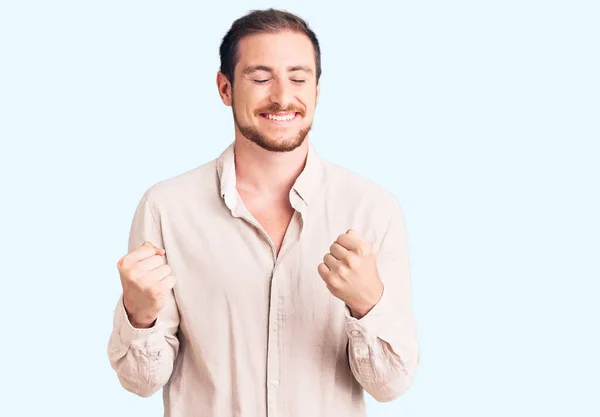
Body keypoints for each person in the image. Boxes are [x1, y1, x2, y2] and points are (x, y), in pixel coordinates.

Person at [107, 8, 419, 417]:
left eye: (298, 77)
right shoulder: (167, 208)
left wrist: (368, 305)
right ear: (225, 88)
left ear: (318, 90)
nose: (282, 96)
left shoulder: (371, 210)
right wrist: (140, 314)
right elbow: (141, 382)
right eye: (259, 78)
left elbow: (390, 386)